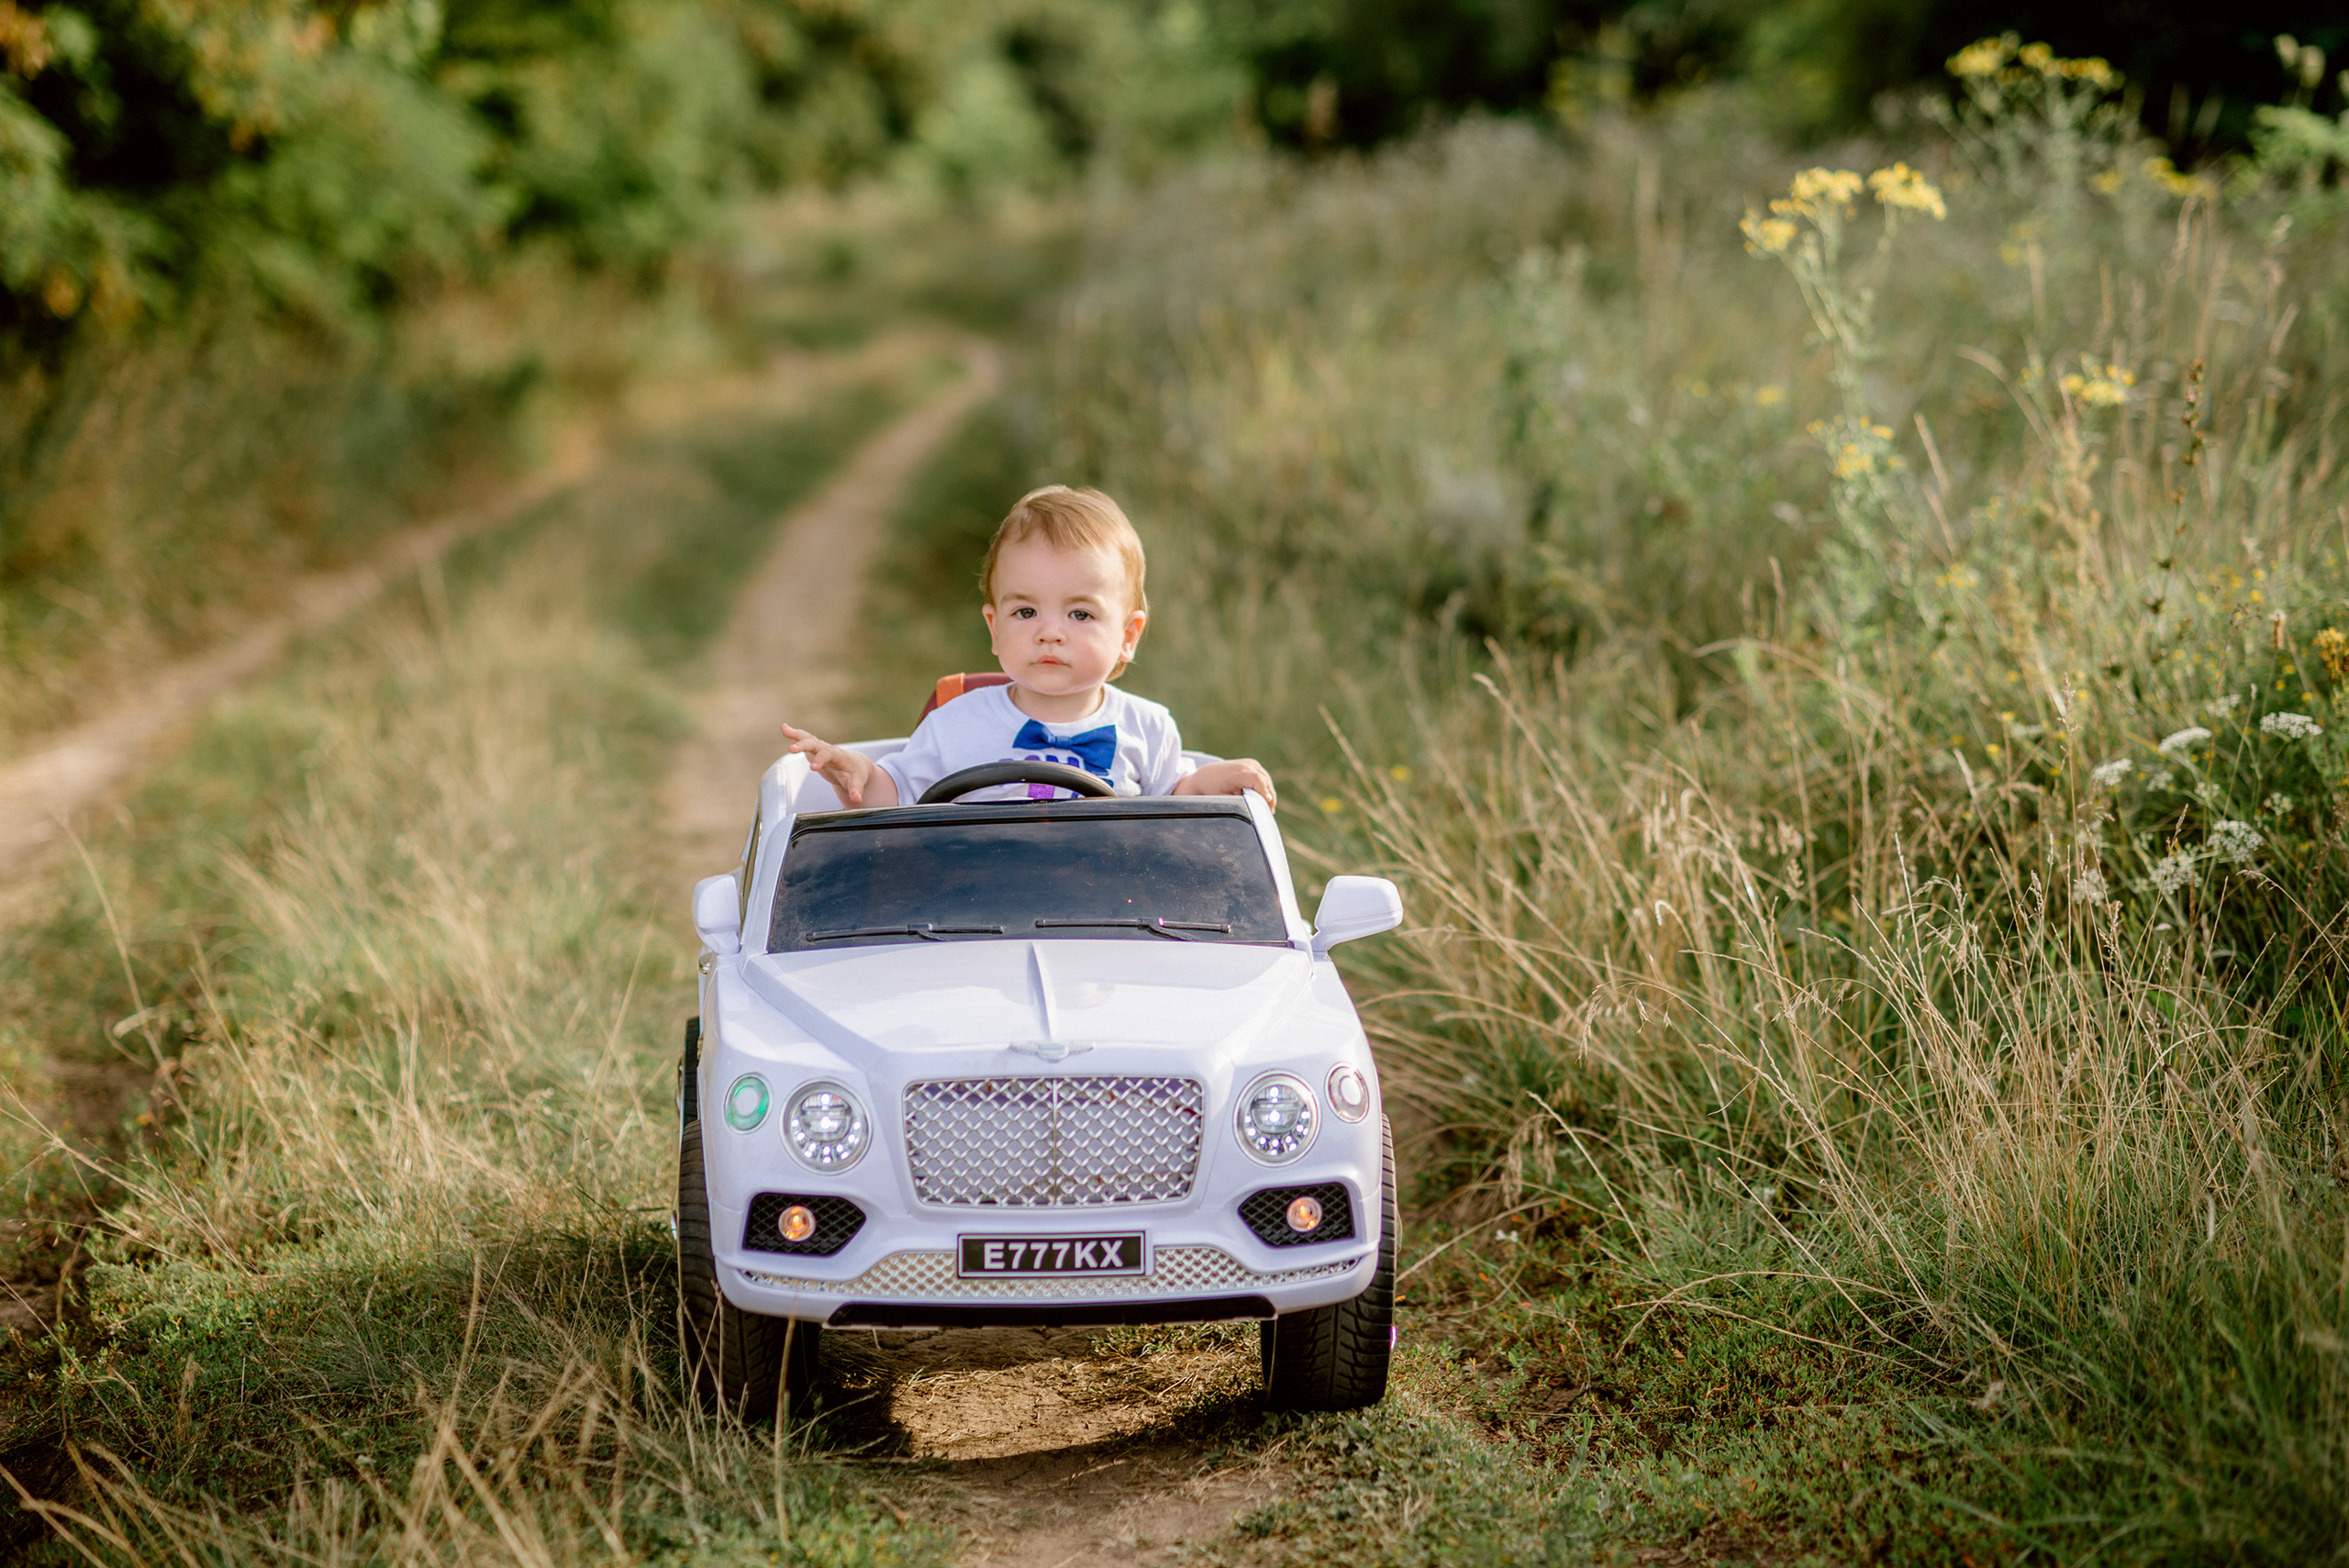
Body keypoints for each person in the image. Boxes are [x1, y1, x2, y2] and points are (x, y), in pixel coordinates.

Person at [781, 485, 1276, 810]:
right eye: (1025, 612)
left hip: (1108, 910)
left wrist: (1216, 780)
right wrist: (857, 774)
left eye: (1080, 614)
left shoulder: (1147, 729)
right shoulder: (956, 724)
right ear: (995, 629)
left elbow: (1177, 802)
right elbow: (898, 795)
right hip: (974, 906)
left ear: (1127, 637)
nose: (1050, 632)